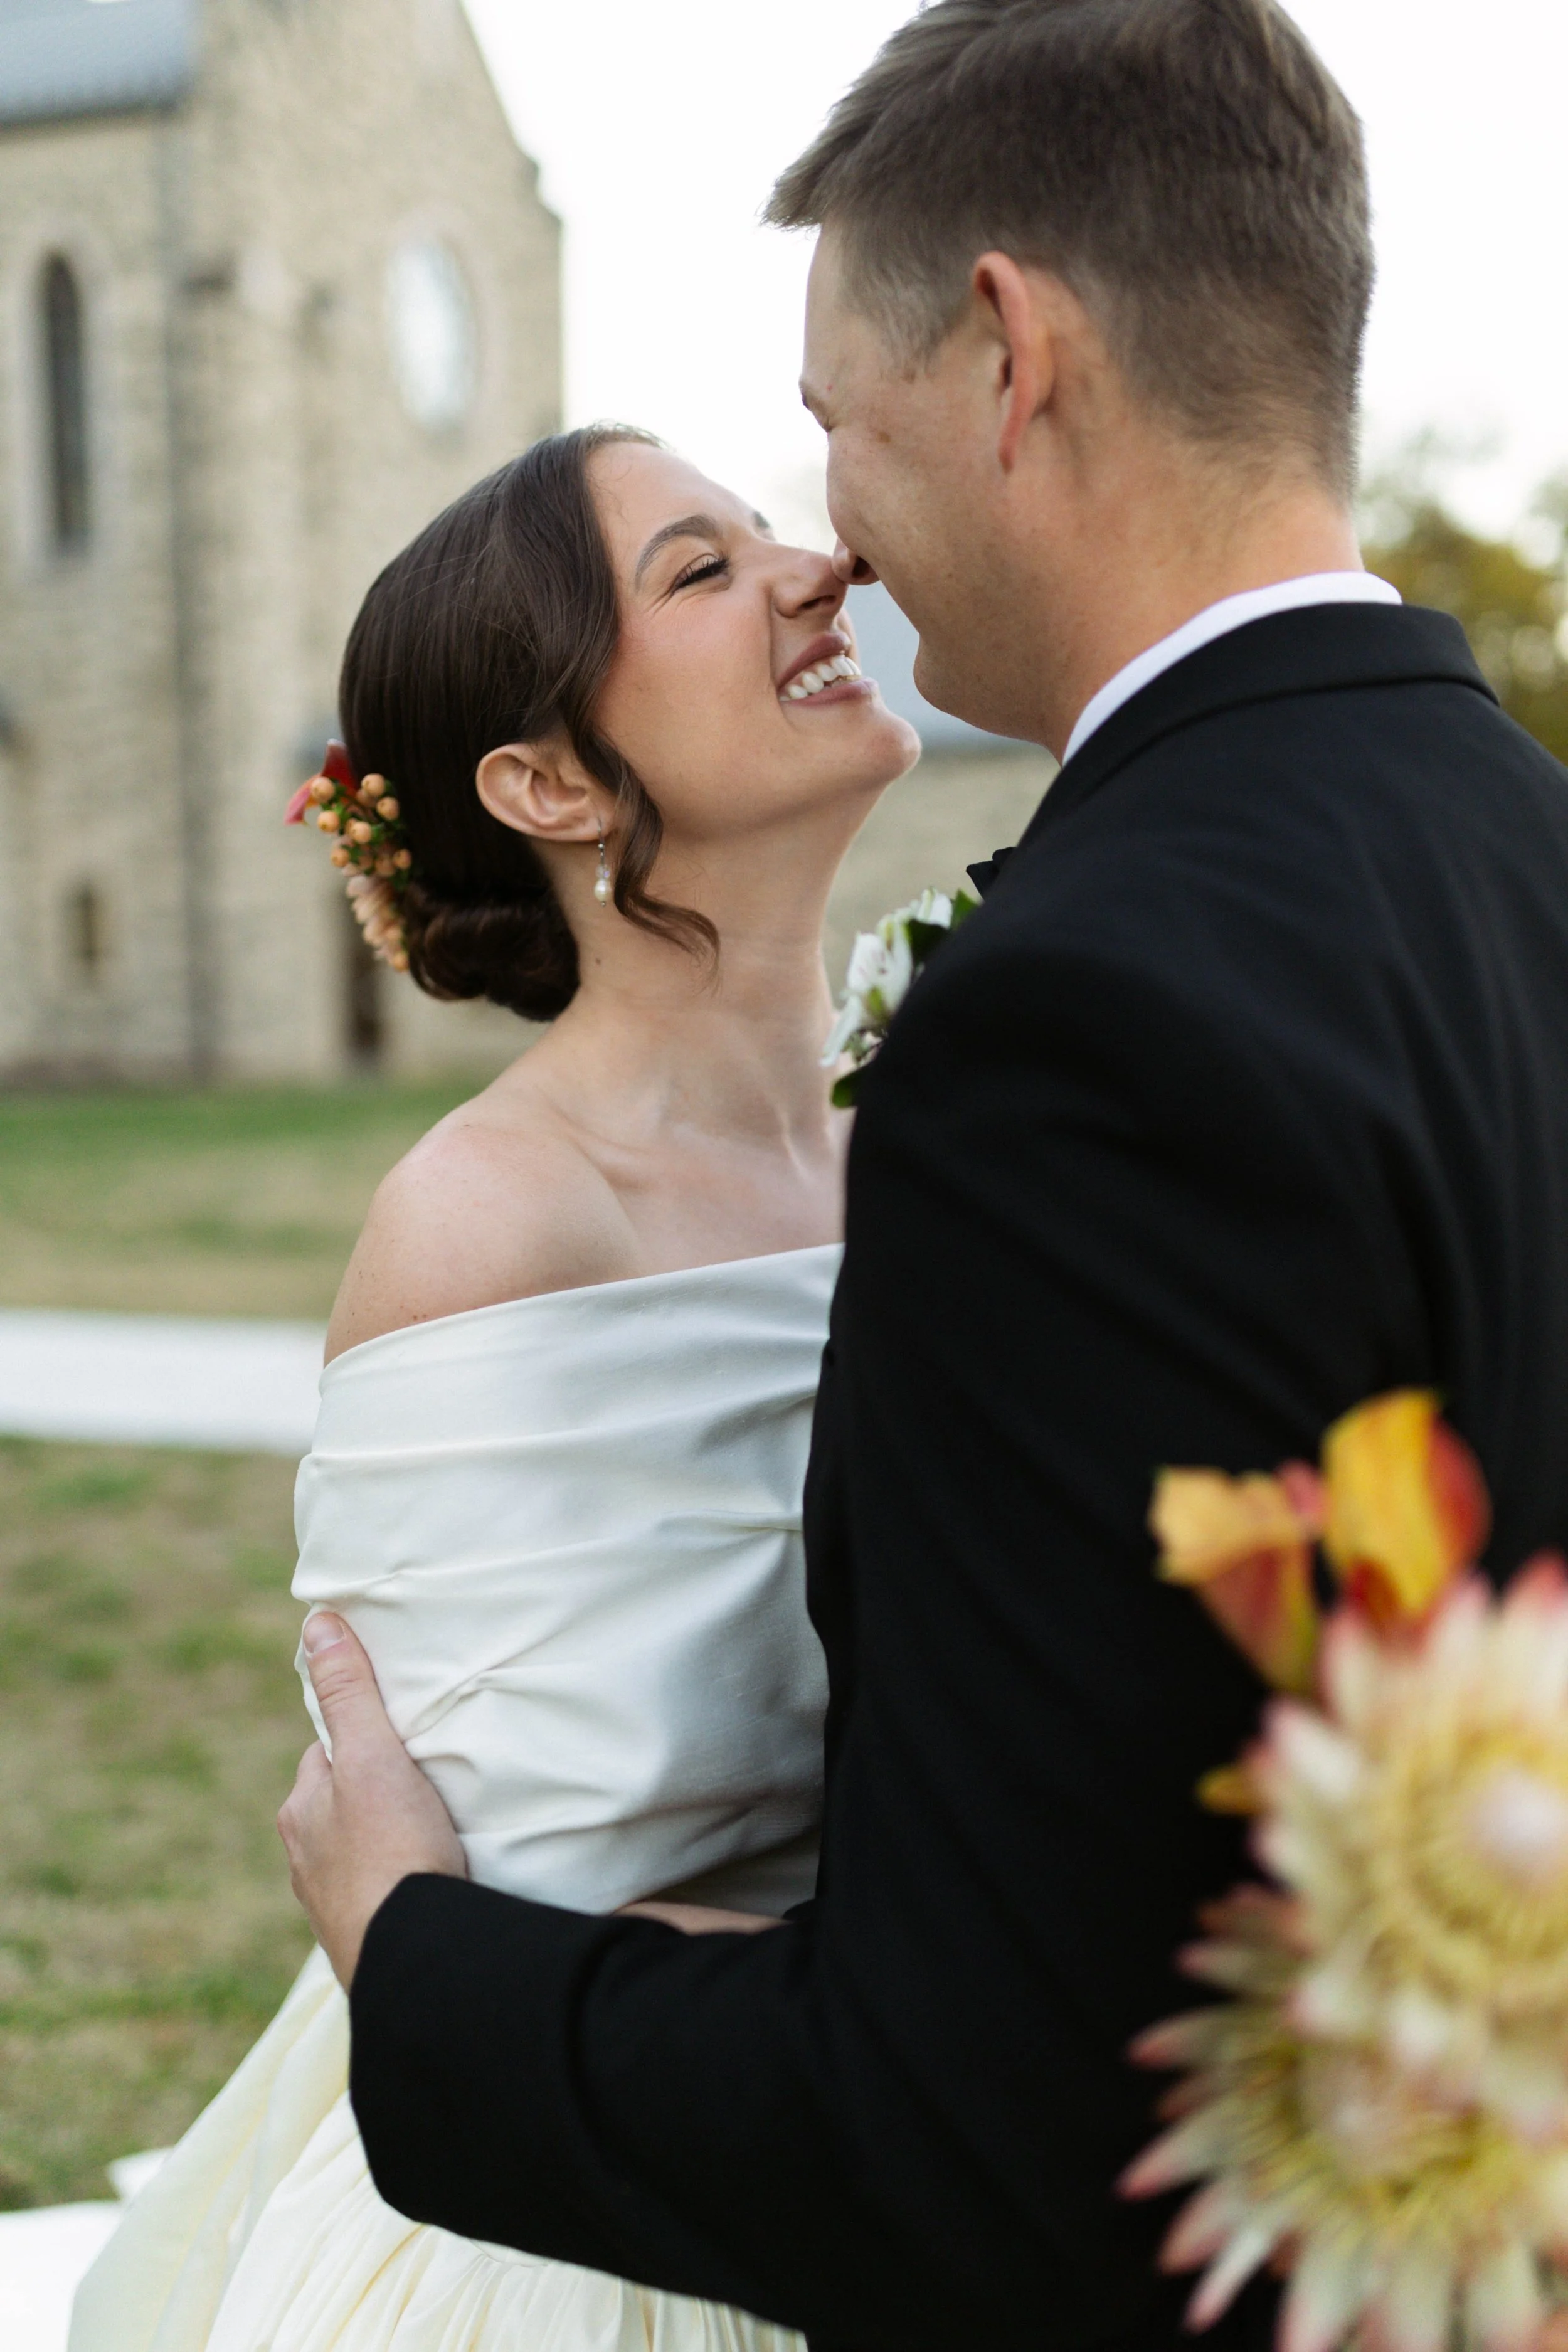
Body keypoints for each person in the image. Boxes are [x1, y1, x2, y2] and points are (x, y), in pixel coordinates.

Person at [274, 1, 1568, 2348]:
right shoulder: (1523, 856)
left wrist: (418, 1967)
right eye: (717, 545)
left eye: (822, 439)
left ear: (1005, 356)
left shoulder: (1062, 1029)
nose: (820, 544)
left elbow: (984, 2102)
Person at [68, 425, 920, 2352]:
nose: (817, 569)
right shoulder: (489, 1226)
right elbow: (483, 1875)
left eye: (762, 529)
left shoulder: (941, 1136)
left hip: (919, 2122)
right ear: (542, 781)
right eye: (703, 571)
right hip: (619, 2201)